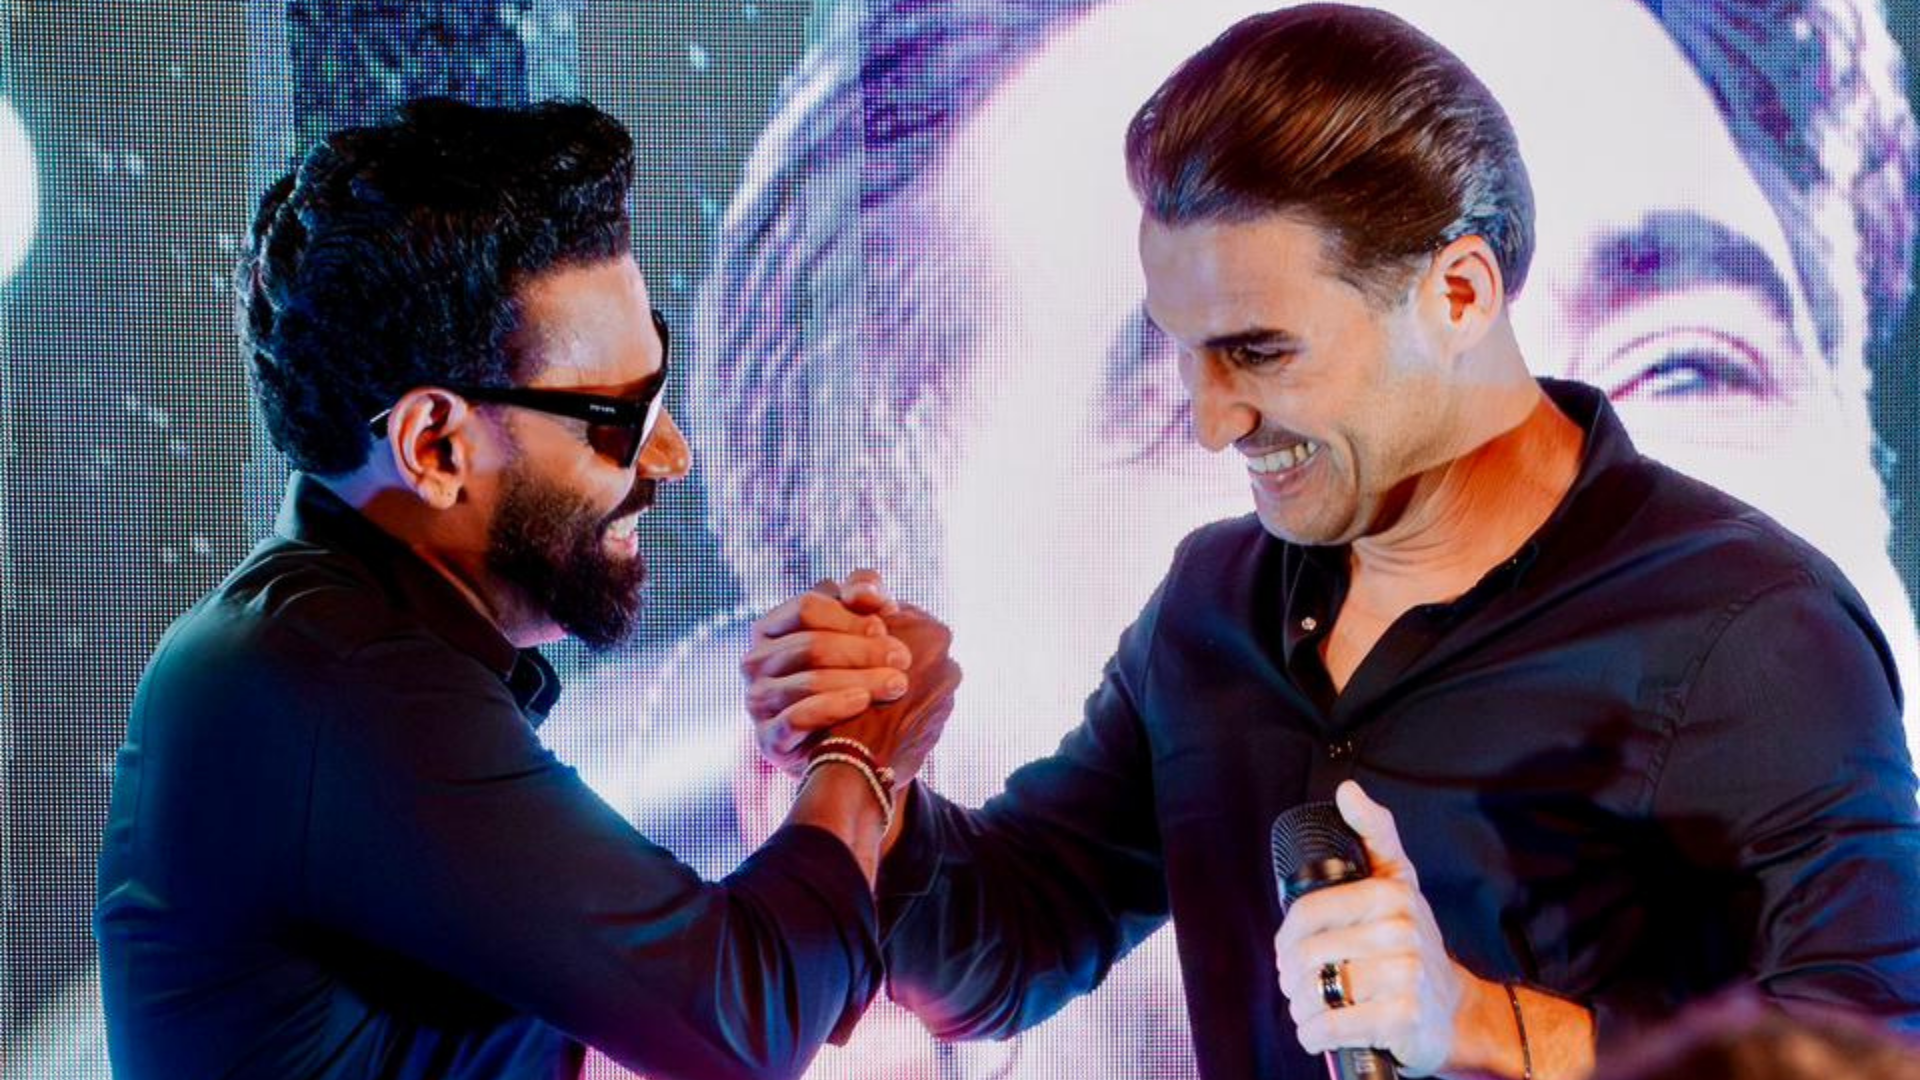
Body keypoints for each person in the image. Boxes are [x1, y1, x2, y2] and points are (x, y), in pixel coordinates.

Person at [544, 0, 1920, 1075]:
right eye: (1176, 365)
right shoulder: (1218, 602)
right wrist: (872, 777)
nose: (1216, 420)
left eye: (1258, 352)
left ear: (1459, 294)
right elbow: (1017, 937)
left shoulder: (1750, 626)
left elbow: (1876, 1054)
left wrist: (1480, 1025)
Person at [92, 97, 957, 1080]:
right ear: (435, 446)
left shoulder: (321, 650)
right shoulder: (339, 683)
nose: (673, 456)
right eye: (618, 418)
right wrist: (861, 751)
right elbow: (746, 1024)